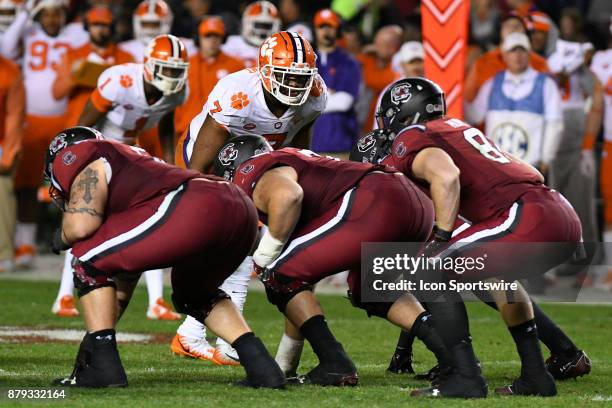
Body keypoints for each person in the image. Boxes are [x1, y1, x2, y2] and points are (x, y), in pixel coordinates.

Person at [353, 77, 588, 397]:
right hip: (555, 211)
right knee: (490, 276)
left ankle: (466, 377)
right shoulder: (456, 128)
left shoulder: (412, 137)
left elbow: (446, 177)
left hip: (525, 215)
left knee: (429, 269)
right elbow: (528, 172)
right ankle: (537, 374)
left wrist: (440, 237)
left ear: (404, 115)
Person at [46, 126, 284, 389]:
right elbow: (123, 281)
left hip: (194, 204)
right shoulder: (129, 163)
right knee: (194, 294)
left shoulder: (82, 153)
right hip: (239, 209)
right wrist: (90, 354)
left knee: (86, 258)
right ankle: (262, 367)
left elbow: (80, 226)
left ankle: (104, 371)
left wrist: (60, 236)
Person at [212, 135, 452, 386]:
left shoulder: (250, 171)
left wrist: (266, 251)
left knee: (279, 274)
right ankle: (455, 358)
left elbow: (287, 195)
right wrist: (286, 364)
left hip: (375, 201)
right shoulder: (293, 160)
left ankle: (335, 363)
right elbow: (299, 287)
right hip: (414, 204)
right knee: (371, 290)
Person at [172, 30, 327, 366]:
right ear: (266, 71)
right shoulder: (238, 92)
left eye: (301, 78)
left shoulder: (314, 95)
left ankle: (194, 335)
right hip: (215, 157)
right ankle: (207, 337)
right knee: (236, 240)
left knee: (246, 242)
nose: (295, 86)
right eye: (286, 76)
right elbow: (201, 165)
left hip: (260, 160)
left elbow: (297, 150)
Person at [74, 34, 190, 320]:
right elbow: (83, 126)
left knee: (146, 219)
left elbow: (165, 121)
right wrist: (77, 163)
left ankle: (154, 299)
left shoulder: (176, 92)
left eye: (177, 70)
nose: (173, 77)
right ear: (149, 66)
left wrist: (169, 164)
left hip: (130, 153)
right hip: (101, 150)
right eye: (167, 69)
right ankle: (70, 290)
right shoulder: (119, 80)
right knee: (86, 221)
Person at [49, 5, 136, 317]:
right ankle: (64, 295)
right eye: (96, 25)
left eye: (105, 25)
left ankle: (152, 298)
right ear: (88, 27)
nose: (101, 30)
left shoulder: (125, 59)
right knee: (79, 216)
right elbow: (57, 90)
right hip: (81, 147)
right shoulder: (75, 54)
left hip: (118, 149)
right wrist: (80, 73)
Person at [1, 0, 88, 268]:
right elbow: (6, 44)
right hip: (29, 119)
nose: (51, 19)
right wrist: (28, 9)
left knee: (54, 184)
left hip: (62, 119)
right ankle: (21, 242)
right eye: (46, 14)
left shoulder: (74, 35)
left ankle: (51, 240)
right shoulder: (29, 32)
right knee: (24, 184)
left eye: (56, 14)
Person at [466, 32, 563, 176]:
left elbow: (555, 124)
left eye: (522, 50)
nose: (517, 55)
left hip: (531, 168)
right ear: (504, 56)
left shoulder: (546, 84)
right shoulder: (492, 84)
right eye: (513, 50)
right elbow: (474, 115)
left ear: (529, 54)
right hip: (496, 166)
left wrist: (546, 159)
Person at [174, 16, 244, 137]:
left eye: (217, 36)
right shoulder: (184, 65)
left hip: (221, 134)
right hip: (184, 132)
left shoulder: (236, 66)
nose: (212, 41)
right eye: (207, 36)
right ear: (198, 38)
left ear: (223, 39)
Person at [464, 11, 549, 104]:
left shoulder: (540, 64)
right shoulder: (482, 63)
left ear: (526, 32)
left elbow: (550, 100)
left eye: (517, 26)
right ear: (499, 31)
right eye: (507, 25)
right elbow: (468, 100)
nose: (512, 29)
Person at [310, 8, 360, 159]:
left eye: (330, 26)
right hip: (311, 145)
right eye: (321, 26)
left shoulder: (349, 62)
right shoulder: (306, 62)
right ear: (315, 29)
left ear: (337, 29)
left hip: (343, 144)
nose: (326, 31)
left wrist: (313, 99)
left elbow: (344, 102)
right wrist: (329, 94)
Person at [0, 55, 24, 273]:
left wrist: (8, 154)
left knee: (3, 189)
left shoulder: (9, 71)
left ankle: (3, 254)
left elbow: (14, 117)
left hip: (0, 143)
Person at [356, 25, 402, 133]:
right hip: (361, 125)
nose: (384, 46)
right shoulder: (367, 59)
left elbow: (379, 82)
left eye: (389, 43)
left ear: (398, 46)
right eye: (380, 42)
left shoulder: (399, 65)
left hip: (387, 127)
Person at [221, 0, 280, 68]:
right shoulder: (231, 45)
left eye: (267, 26)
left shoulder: (278, 48)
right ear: (247, 23)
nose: (263, 30)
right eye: (258, 25)